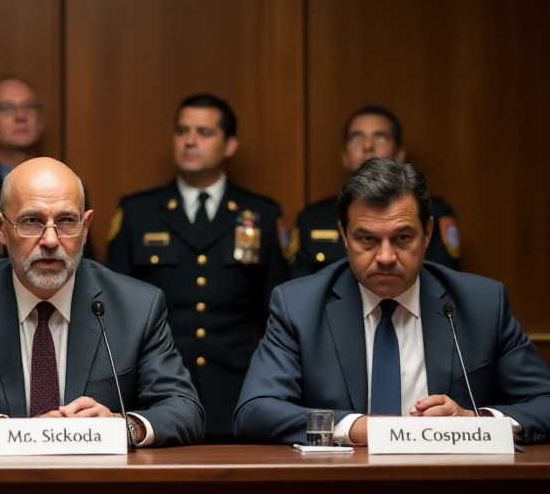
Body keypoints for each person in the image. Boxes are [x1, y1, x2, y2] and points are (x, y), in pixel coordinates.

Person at [234, 159, 550, 446]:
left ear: (427, 233)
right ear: (344, 236)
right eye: (367, 239)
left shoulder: (482, 304)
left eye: (402, 238)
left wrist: (475, 422)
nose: (385, 257)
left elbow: (544, 402)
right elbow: (255, 412)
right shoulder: (299, 306)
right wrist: (354, 427)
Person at [0, 158, 204, 446]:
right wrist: (10, 432)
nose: (51, 240)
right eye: (31, 221)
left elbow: (185, 409)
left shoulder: (137, 306)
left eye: (67, 220)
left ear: (85, 227)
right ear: (1, 227)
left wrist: (123, 427)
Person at [104, 94, 289, 443]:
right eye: (182, 131)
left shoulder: (262, 214)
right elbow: (115, 309)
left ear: (230, 144)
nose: (190, 140)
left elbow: (277, 315)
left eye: (204, 132)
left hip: (236, 388)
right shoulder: (138, 212)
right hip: (155, 390)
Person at [291, 105, 460, 278]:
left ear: (399, 153)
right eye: (357, 138)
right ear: (345, 156)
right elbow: (299, 288)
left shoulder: (432, 211)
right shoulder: (311, 219)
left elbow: (442, 280)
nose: (367, 146)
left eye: (380, 137)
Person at [0, 76, 95, 260]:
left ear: (41, 121)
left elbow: (83, 261)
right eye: (6, 108)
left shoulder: (69, 187)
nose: (21, 116)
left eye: (29, 106)